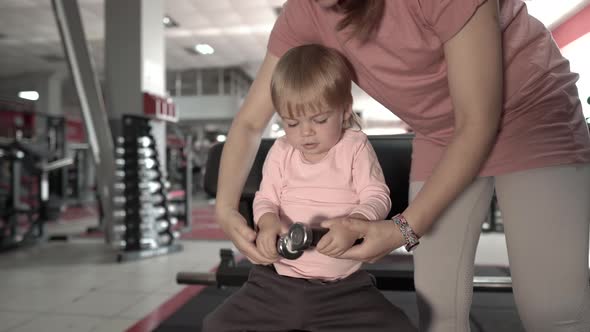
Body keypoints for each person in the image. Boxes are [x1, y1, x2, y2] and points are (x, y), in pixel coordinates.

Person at [214, 0, 590, 331]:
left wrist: (402, 229)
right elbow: (250, 122)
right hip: (441, 134)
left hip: (534, 117)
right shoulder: (306, 10)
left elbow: (477, 122)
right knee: (438, 310)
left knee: (552, 310)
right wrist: (226, 209)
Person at [204, 44, 416, 332]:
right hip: (276, 283)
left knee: (400, 327)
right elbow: (266, 199)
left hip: (344, 288)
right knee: (216, 325)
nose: (305, 132)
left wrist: (357, 222)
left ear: (344, 111)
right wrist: (267, 224)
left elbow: (376, 195)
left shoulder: (354, 147)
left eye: (319, 120)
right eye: (291, 122)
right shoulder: (281, 151)